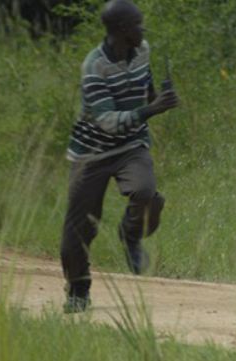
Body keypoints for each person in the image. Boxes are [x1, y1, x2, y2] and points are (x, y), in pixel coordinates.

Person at [60, 0, 179, 313]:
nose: (143, 29)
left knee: (145, 191)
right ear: (123, 30)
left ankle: (131, 237)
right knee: (78, 230)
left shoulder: (142, 50)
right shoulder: (94, 66)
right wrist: (152, 109)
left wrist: (160, 97)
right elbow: (107, 121)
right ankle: (78, 291)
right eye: (138, 24)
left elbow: (144, 90)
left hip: (130, 146)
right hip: (91, 152)